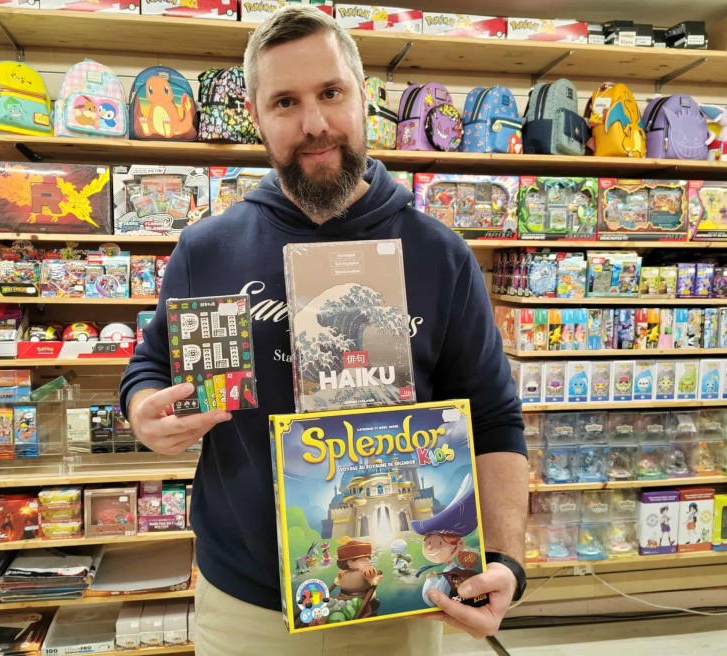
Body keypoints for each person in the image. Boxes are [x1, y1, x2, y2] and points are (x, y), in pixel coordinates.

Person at [120, 6, 528, 654]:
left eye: (331, 93)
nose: (313, 123)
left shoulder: (440, 255)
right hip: (245, 607)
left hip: (400, 600)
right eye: (285, 102)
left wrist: (506, 559)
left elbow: (495, 417)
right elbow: (150, 364)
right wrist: (144, 410)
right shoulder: (207, 250)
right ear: (256, 117)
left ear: (364, 97)